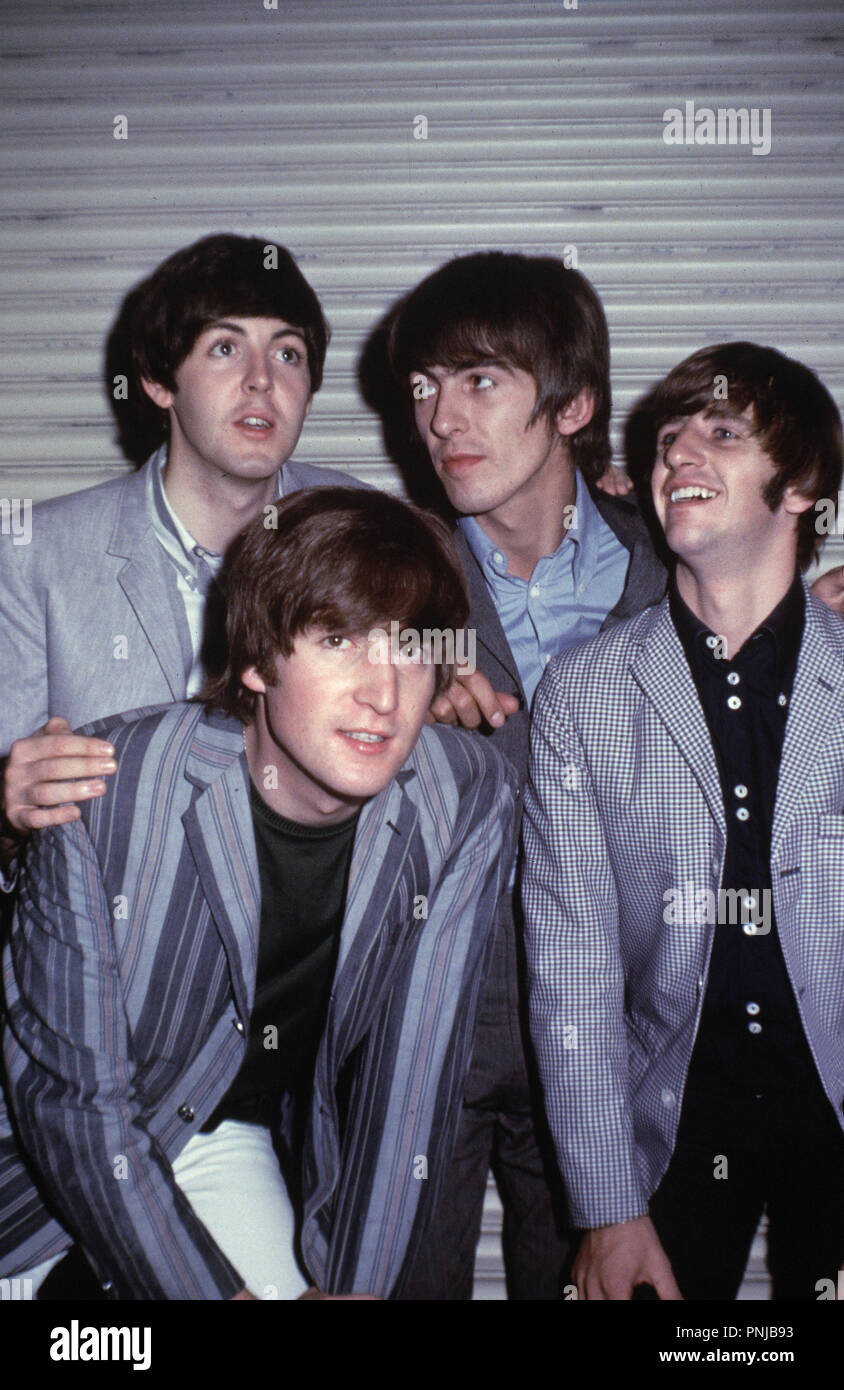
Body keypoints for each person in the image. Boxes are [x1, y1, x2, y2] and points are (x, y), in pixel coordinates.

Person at [0, 486, 516, 1300]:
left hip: (210, 1133)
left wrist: (357, 1287)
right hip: (25, 1171)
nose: (383, 695)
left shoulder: (465, 794)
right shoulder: (109, 788)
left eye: (412, 648)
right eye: (340, 640)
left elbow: (412, 1071)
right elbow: (74, 1101)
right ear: (255, 659)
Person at [522, 341, 844, 1300]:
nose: (679, 458)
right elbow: (570, 970)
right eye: (666, 440)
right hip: (670, 1121)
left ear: (803, 485)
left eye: (723, 432)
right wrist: (608, 1212)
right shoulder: (583, 693)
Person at [386, 251, 668, 1299]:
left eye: (479, 380)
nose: (441, 418)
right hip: (426, 1024)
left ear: (574, 402)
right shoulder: (390, 568)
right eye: (423, 387)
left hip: (612, 1029)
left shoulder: (677, 574)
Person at [0, 232, 356, 860]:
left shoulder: (362, 527)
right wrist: (8, 811)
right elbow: (14, 802)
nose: (261, 381)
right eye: (225, 348)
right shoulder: (34, 555)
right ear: (160, 383)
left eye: (289, 354)